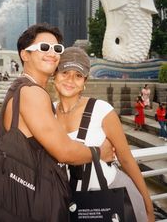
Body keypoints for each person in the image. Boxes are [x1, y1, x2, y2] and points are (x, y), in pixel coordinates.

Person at [0, 25, 113, 213]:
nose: (52, 53)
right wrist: (99, 153)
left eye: (57, 49)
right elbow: (64, 151)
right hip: (30, 204)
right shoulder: (32, 93)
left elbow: (17, 143)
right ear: (25, 55)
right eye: (44, 48)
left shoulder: (19, 88)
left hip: (16, 201)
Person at [53, 47, 154, 222]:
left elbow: (126, 159)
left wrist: (148, 206)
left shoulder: (101, 110)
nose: (70, 80)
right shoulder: (47, 112)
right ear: (55, 75)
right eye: (65, 72)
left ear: (85, 81)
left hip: (110, 197)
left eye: (78, 75)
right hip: (67, 202)